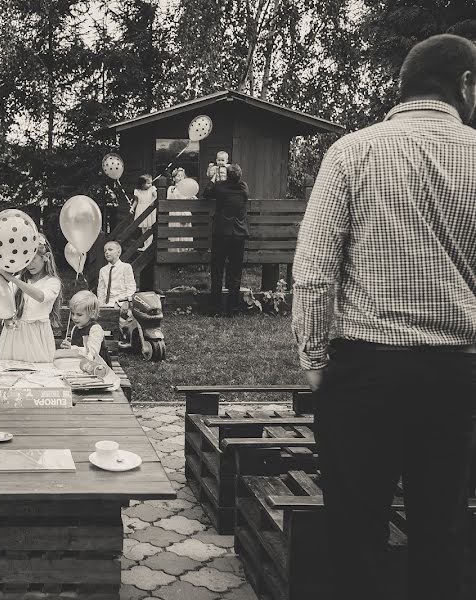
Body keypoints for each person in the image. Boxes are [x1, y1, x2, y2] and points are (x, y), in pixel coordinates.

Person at [292, 33, 476, 600]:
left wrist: (314, 358)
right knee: (442, 528)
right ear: (465, 84)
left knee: (355, 529)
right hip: (457, 373)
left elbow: (315, 267)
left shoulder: (352, 151)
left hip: (364, 371)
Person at [0, 234, 62, 363]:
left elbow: (40, 296)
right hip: (14, 333)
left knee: (38, 370)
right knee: (11, 367)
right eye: (25, 260)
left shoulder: (52, 282)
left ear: (46, 257)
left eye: (32, 259)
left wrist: (11, 278)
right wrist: (5, 316)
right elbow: (4, 303)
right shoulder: (19, 279)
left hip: (37, 334)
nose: (28, 265)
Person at [203, 163, 249, 314]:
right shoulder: (244, 188)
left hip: (222, 233)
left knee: (217, 270)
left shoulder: (220, 187)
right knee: (235, 271)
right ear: (240, 176)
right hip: (239, 235)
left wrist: (214, 178)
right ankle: (232, 308)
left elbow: (206, 193)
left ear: (227, 176)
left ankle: (215, 307)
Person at [58, 290, 111, 367]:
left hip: (98, 367)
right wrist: (67, 349)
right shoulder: (75, 328)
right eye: (73, 313)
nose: (74, 318)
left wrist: (72, 349)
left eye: (79, 315)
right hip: (80, 365)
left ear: (92, 314)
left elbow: (93, 354)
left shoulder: (95, 329)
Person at [97, 241, 137, 307]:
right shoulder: (103, 270)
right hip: (107, 304)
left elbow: (131, 287)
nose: (107, 252)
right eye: (105, 251)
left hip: (121, 303)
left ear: (118, 252)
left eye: (110, 250)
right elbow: (101, 290)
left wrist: (126, 303)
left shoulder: (126, 267)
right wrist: (101, 305)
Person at [166, 167, 194, 253]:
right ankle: (175, 250)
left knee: (185, 231)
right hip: (175, 212)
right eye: (178, 176)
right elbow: (170, 199)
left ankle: (186, 250)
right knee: (176, 229)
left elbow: (191, 198)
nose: (181, 178)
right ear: (174, 178)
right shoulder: (171, 188)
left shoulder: (187, 188)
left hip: (185, 211)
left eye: (182, 176)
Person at [131, 174, 157, 251]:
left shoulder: (152, 189)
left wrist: (152, 201)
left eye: (151, 183)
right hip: (141, 209)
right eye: (148, 183)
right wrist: (132, 208)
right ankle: (145, 245)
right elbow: (136, 200)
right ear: (142, 184)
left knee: (149, 227)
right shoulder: (137, 191)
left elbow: (156, 196)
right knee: (143, 228)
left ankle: (149, 245)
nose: (150, 184)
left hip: (149, 209)